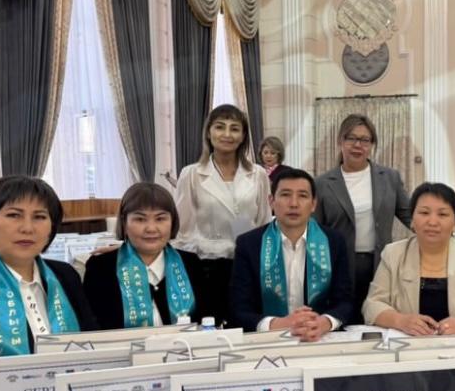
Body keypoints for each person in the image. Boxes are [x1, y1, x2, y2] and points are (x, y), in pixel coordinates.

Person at [0, 176, 97, 391]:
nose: (27, 228)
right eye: (14, 215)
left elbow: (94, 344)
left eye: (39, 217)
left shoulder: (65, 275)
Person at [362, 182, 455, 335]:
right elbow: (372, 304)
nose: (432, 222)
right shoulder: (393, 254)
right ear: (412, 220)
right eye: (424, 213)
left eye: (442, 214)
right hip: (407, 342)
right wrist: (401, 321)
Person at [228, 168, 353, 341]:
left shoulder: (334, 241)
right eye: (285, 195)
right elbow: (238, 309)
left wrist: (324, 322)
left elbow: (345, 302)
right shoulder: (249, 244)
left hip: (319, 338)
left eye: (302, 196)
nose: (294, 203)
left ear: (313, 204)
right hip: (268, 340)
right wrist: (279, 324)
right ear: (271, 201)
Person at [174, 104, 271, 324]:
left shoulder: (258, 174)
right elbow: (181, 230)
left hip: (247, 265)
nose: (227, 134)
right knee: (212, 328)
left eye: (234, 128)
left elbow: (264, 222)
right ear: (209, 132)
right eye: (220, 127)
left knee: (247, 325)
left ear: (243, 136)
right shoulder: (191, 174)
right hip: (207, 266)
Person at [314, 114, 411, 320]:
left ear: (372, 144)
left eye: (365, 140)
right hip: (338, 268)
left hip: (380, 265)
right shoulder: (322, 183)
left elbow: (411, 215)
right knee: (343, 320)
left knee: (378, 319)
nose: (358, 145)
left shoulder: (389, 178)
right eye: (351, 138)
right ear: (340, 141)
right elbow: (314, 230)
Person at [84, 183, 210, 330]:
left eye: (160, 219)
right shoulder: (101, 268)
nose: (151, 228)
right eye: (140, 219)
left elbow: (207, 323)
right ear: (124, 223)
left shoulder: (190, 263)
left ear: (172, 221)